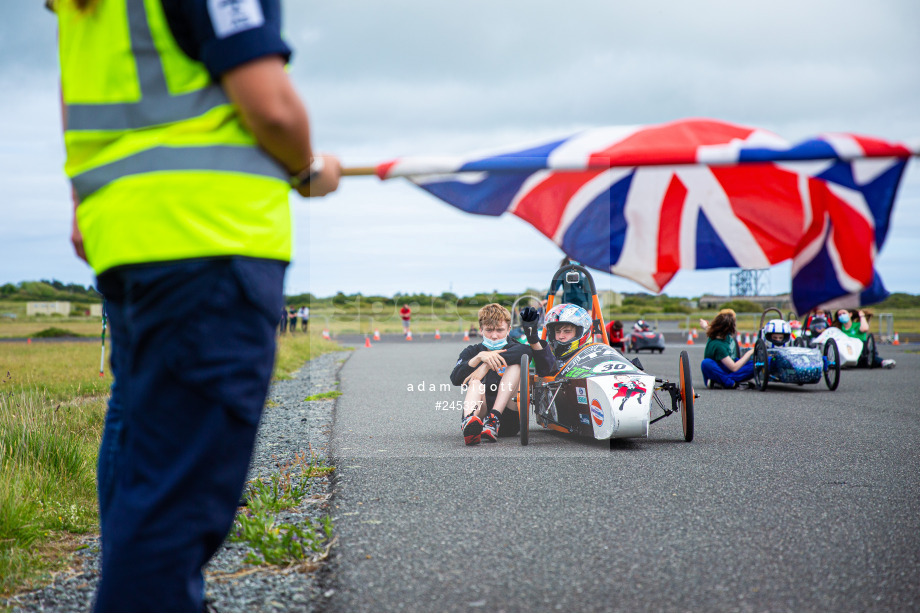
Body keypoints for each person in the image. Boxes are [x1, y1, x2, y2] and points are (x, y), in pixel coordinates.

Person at [55, 0, 342, 610]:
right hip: (208, 242)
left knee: (142, 458)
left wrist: (84, 198)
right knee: (176, 497)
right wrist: (307, 168)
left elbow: (76, 103)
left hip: (128, 240)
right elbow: (270, 105)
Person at [450, 304, 554, 445]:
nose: (494, 336)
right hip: (480, 414)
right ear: (481, 330)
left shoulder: (517, 347)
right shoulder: (472, 351)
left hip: (508, 416)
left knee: (517, 363)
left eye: (499, 330)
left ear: (509, 329)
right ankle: (469, 422)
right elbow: (455, 378)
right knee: (474, 383)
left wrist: (486, 365)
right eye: (489, 330)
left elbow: (529, 354)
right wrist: (479, 358)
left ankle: (494, 419)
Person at [700, 310, 755, 389]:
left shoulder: (718, 333)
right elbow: (734, 367)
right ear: (729, 328)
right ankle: (732, 384)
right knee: (706, 363)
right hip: (721, 369)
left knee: (757, 364)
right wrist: (750, 353)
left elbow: (708, 328)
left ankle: (721, 382)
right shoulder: (719, 346)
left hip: (729, 367)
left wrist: (704, 324)